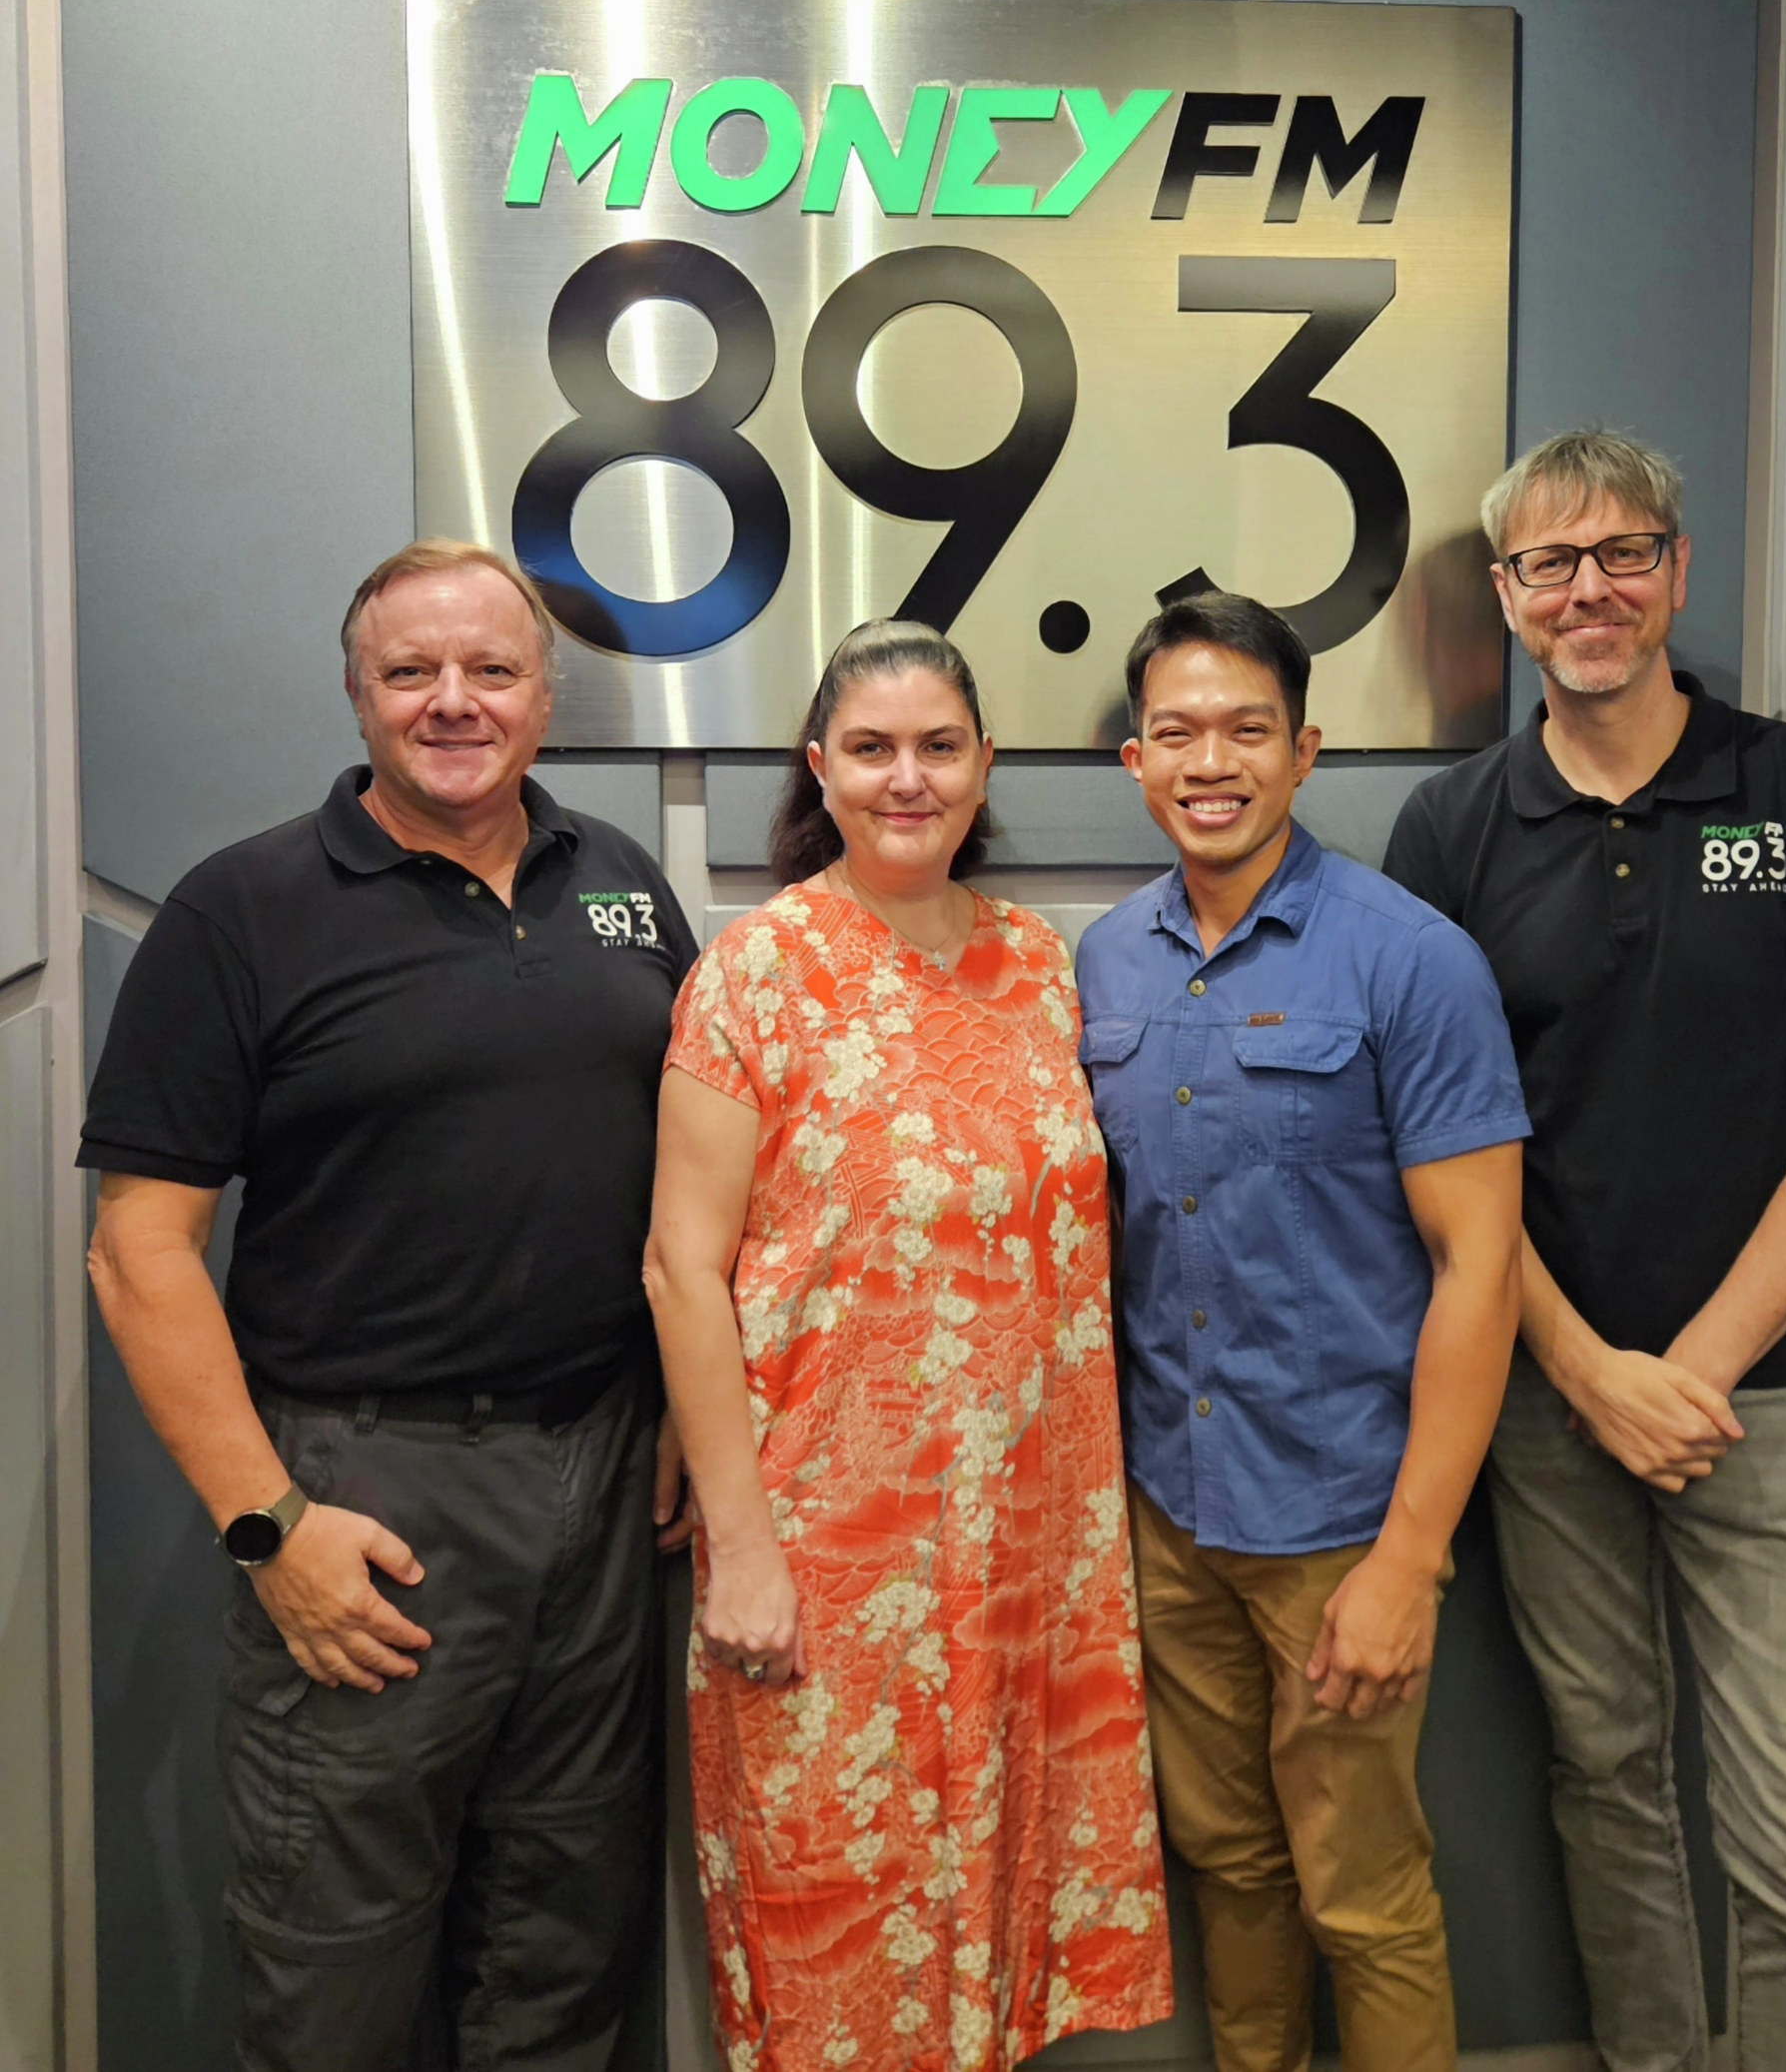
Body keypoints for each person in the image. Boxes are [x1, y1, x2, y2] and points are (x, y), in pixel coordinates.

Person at [81, 540, 695, 2070]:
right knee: (335, 1954)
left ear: (545, 696)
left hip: (606, 1477)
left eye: (491, 668)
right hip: (370, 1490)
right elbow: (139, 1250)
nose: (452, 701)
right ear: (356, 696)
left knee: (565, 1938)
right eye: (410, 671)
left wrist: (687, 1412)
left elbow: (695, 1179)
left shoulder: (622, 882)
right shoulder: (242, 910)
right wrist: (269, 1524)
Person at [1382, 428, 1786, 2072]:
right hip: (1548, 1406)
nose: (1591, 590)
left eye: (1623, 552)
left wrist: (1686, 1376)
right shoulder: (1451, 829)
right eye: (1551, 563)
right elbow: (1441, 1155)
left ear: (1677, 574)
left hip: (1770, 1403)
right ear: (1508, 597)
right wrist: (1587, 1372)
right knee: (1608, 1782)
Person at [644, 621, 1174, 2072]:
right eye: (872, 749)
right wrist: (742, 1547)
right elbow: (681, 1270)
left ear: (984, 764)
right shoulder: (756, 973)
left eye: (939, 747)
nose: (907, 778)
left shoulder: (1039, 966)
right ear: (818, 767)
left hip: (1027, 1554)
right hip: (826, 1556)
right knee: (838, 1936)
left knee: (992, 1934)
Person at [1075, 591, 1528, 2072]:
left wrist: (1410, 1560)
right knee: (1230, 1865)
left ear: (1306, 750)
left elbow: (1480, 1269)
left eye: (1247, 730)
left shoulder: (1411, 960)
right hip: (1169, 1514)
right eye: (1179, 732)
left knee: (1364, 1894)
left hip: (1340, 1522)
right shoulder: (1101, 965)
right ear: (1137, 759)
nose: (1212, 762)